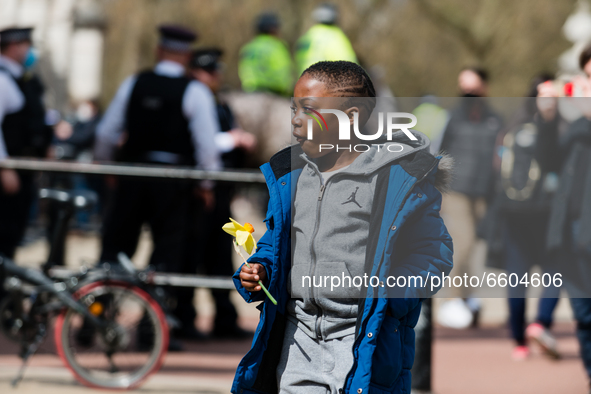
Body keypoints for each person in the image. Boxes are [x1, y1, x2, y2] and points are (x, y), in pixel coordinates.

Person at [231, 61, 453, 394]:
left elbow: (433, 254)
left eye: (309, 110)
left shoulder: (396, 181)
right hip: (297, 341)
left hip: (365, 343)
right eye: (294, 109)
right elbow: (276, 243)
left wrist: (388, 299)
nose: (295, 120)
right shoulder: (291, 176)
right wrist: (261, 268)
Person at [94, 25, 222, 344]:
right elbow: (207, 146)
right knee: (166, 254)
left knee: (115, 245)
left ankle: (91, 318)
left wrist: (107, 166)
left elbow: (107, 133)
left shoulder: (135, 83)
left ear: (158, 51)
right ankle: (152, 329)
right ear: (187, 56)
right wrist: (207, 184)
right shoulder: (195, 91)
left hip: (133, 175)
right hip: (172, 183)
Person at [482, 74, 565, 360]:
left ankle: (519, 341)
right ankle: (540, 323)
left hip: (511, 213)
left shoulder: (510, 128)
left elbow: (494, 171)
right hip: (546, 213)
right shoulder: (558, 127)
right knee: (554, 272)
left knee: (516, 278)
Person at [176, 48, 256, 339]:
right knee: (191, 253)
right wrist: (230, 140)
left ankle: (224, 317)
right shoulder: (191, 95)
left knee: (220, 254)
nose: (216, 77)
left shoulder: (220, 102)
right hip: (199, 190)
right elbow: (199, 141)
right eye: (210, 71)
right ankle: (183, 318)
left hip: (219, 189)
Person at [438, 67, 503, 327]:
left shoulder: (495, 119)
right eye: (463, 87)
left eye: (473, 88)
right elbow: (439, 153)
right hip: (457, 192)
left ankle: (466, 297)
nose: (468, 93)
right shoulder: (453, 117)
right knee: (462, 244)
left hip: (484, 193)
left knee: (473, 248)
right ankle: (450, 301)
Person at [546, 45, 591, 393]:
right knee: (584, 315)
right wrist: (547, 116)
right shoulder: (575, 124)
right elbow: (549, 159)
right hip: (575, 230)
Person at [0, 27, 53, 261]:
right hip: (9, 168)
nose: (29, 51)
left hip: (22, 166)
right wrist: (4, 166)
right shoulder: (2, 78)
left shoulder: (22, 78)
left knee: (13, 235)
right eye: (25, 45)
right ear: (13, 46)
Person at [238, 13, 294, 96]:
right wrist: (288, 91)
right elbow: (283, 73)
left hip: (250, 94)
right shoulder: (276, 46)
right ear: (272, 29)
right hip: (272, 95)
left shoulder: (248, 48)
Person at [294, 3, 358, 76]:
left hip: (304, 82)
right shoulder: (336, 36)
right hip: (326, 83)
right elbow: (350, 66)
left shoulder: (307, 37)